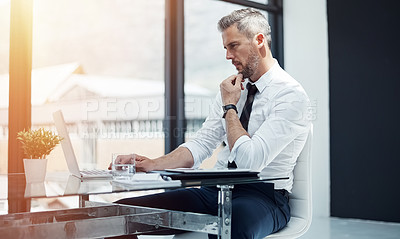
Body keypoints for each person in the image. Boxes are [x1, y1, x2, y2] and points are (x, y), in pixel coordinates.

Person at [110, 8, 311, 239]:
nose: (227, 55)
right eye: (225, 48)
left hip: (263, 196)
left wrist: (230, 108)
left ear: (259, 40)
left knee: (232, 227)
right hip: (214, 190)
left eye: (233, 45)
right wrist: (152, 163)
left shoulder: (290, 95)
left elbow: (251, 161)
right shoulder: (233, 89)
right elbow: (203, 143)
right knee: (118, 214)